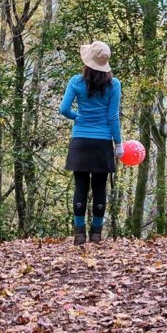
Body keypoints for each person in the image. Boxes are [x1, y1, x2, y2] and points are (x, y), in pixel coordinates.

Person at [59, 40, 123, 245]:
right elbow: (113, 117)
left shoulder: (76, 81)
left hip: (80, 139)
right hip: (102, 142)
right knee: (99, 187)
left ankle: (79, 234)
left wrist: (77, 117)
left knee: (80, 185)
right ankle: (96, 234)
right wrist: (119, 144)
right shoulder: (114, 85)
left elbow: (64, 109)